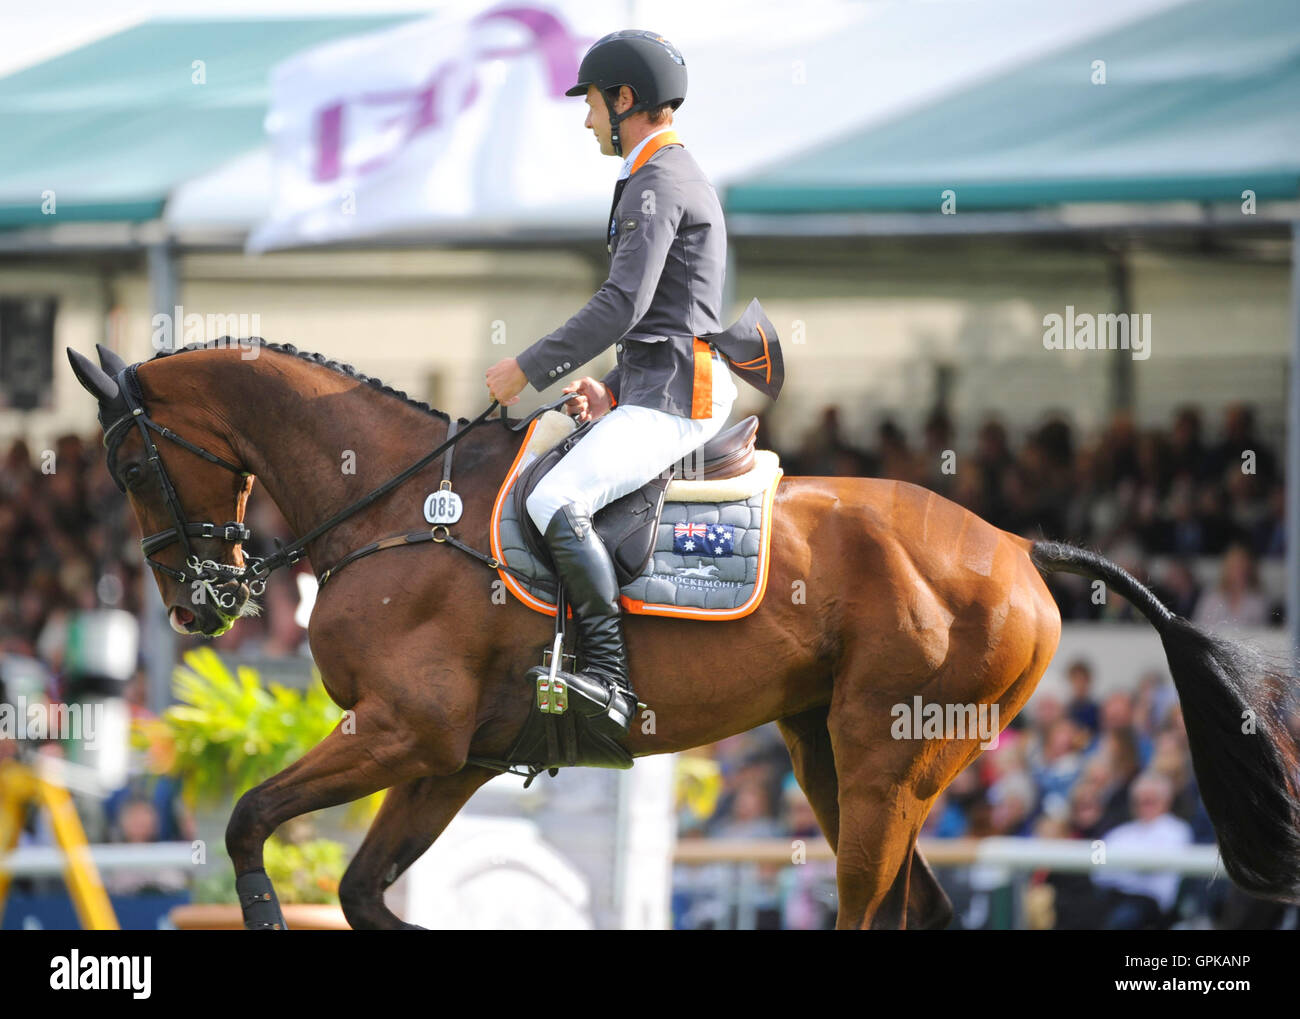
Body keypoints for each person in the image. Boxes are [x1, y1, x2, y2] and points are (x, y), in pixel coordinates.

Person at [483, 30, 783, 736]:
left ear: (626, 100)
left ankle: (610, 680)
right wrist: (612, 388)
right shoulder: (658, 178)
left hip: (682, 400)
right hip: (656, 386)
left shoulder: (661, 181)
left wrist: (526, 367)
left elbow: (625, 306)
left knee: (556, 495)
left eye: (591, 104)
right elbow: (666, 314)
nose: (588, 121)